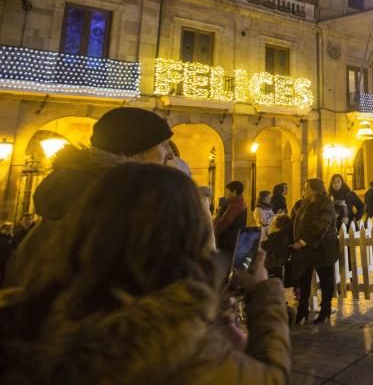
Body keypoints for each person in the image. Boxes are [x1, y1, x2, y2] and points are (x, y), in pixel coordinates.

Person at [0, 162, 290, 383]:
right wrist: (261, 294)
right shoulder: (178, 339)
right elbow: (272, 378)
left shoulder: (24, 312)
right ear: (187, 232)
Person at [2, 107, 174, 286]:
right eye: (164, 145)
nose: (169, 154)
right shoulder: (117, 207)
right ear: (136, 150)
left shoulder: (79, 197)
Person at [291, 178, 339, 325]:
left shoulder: (325, 203)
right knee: (303, 281)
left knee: (325, 281)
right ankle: (302, 310)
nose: (304, 190)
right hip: (306, 252)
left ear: (315, 189)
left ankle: (325, 310)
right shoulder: (305, 203)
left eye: (307, 187)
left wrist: (303, 241)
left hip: (322, 249)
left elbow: (321, 226)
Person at [214, 181, 247, 257]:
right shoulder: (239, 203)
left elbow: (222, 224)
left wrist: (214, 231)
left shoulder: (235, 206)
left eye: (227, 192)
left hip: (228, 243)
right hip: (233, 242)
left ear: (234, 191)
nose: (226, 194)